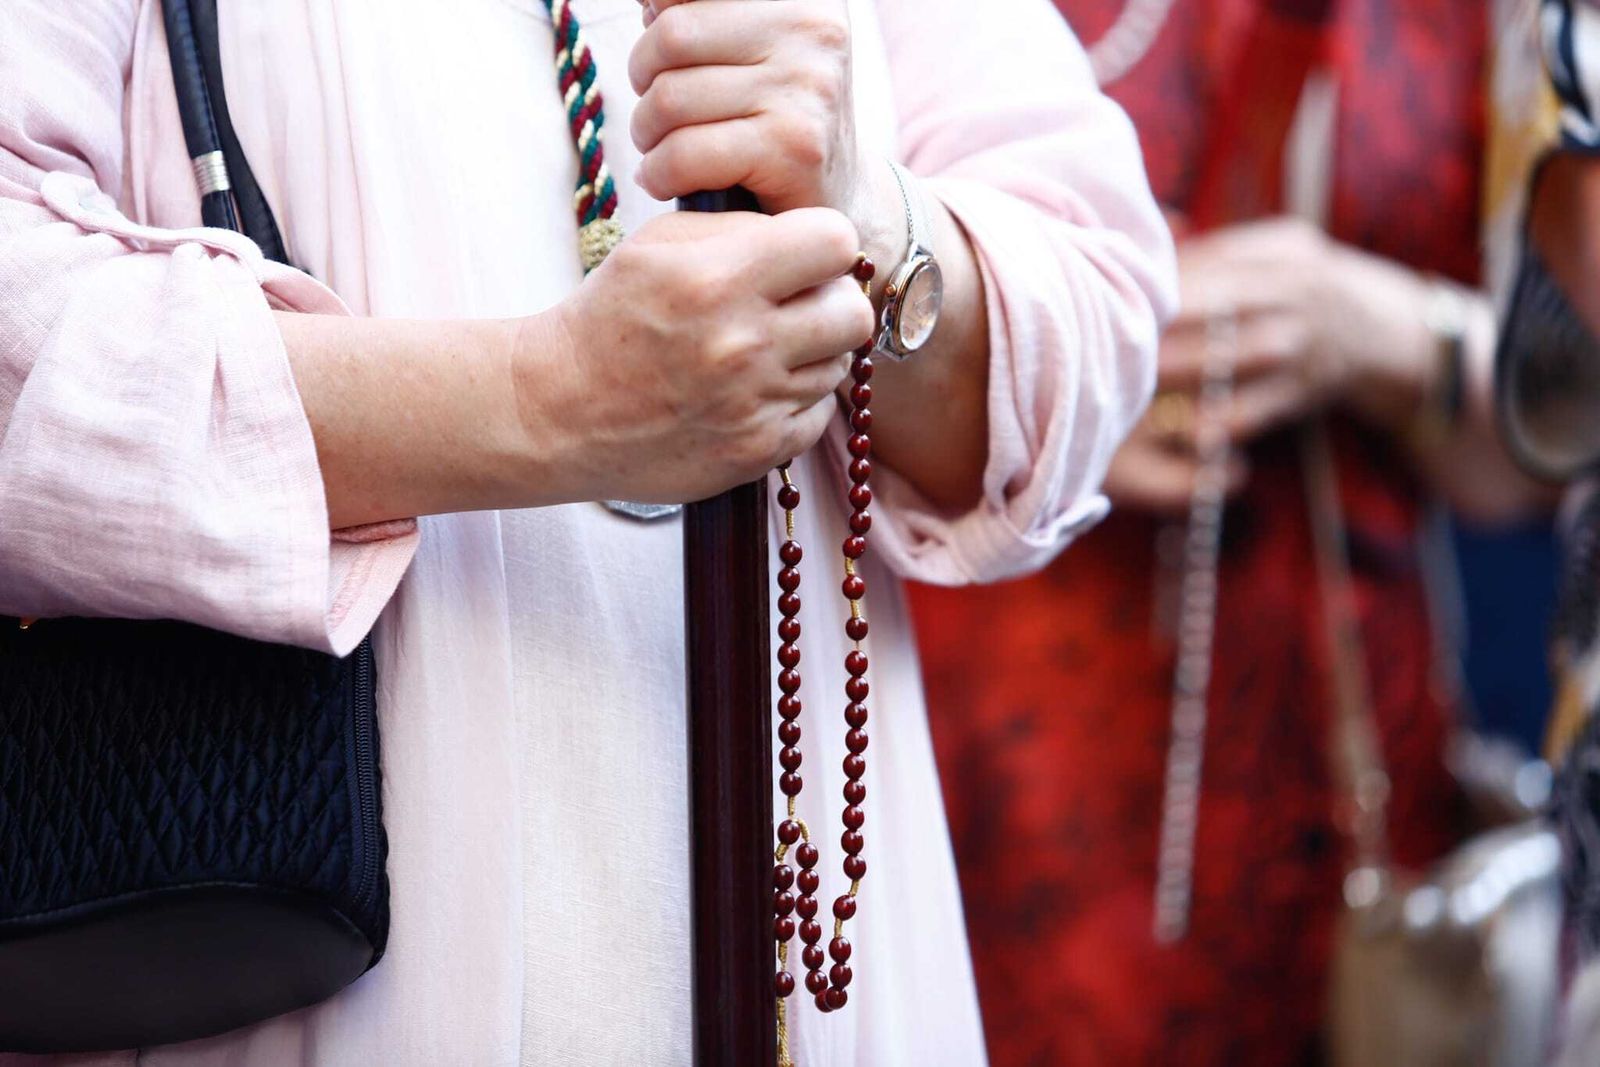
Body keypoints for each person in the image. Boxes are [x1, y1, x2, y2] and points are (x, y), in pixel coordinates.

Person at [0, 0, 1172, 1063]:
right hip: (295, 948)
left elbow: (1090, 330)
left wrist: (870, 211)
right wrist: (541, 398)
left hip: (804, 984)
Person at [911, 0, 1551, 1064]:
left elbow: (1540, 460)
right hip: (974, 744)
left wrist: (1372, 327)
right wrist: (1040, 381)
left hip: (1325, 781)